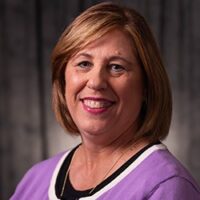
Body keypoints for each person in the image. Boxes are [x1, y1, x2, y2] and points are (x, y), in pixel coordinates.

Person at [11, 2, 200, 200]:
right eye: (84, 64)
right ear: (62, 79)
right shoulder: (36, 179)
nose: (96, 82)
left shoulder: (166, 187)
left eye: (117, 67)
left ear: (146, 86)